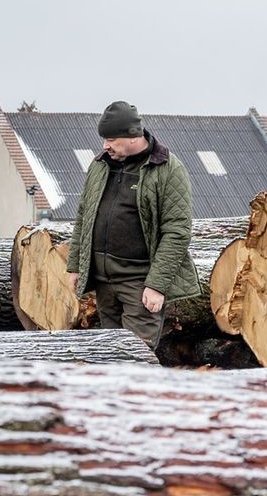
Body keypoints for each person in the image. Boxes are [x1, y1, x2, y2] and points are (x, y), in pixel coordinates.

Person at [66, 101, 198, 350]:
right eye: (104, 139)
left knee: (135, 360)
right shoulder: (100, 165)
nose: (106, 145)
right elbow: (84, 216)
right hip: (104, 283)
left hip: (139, 284)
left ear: (133, 137)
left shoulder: (168, 169)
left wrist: (157, 285)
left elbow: (177, 232)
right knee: (110, 360)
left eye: (112, 139)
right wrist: (75, 266)